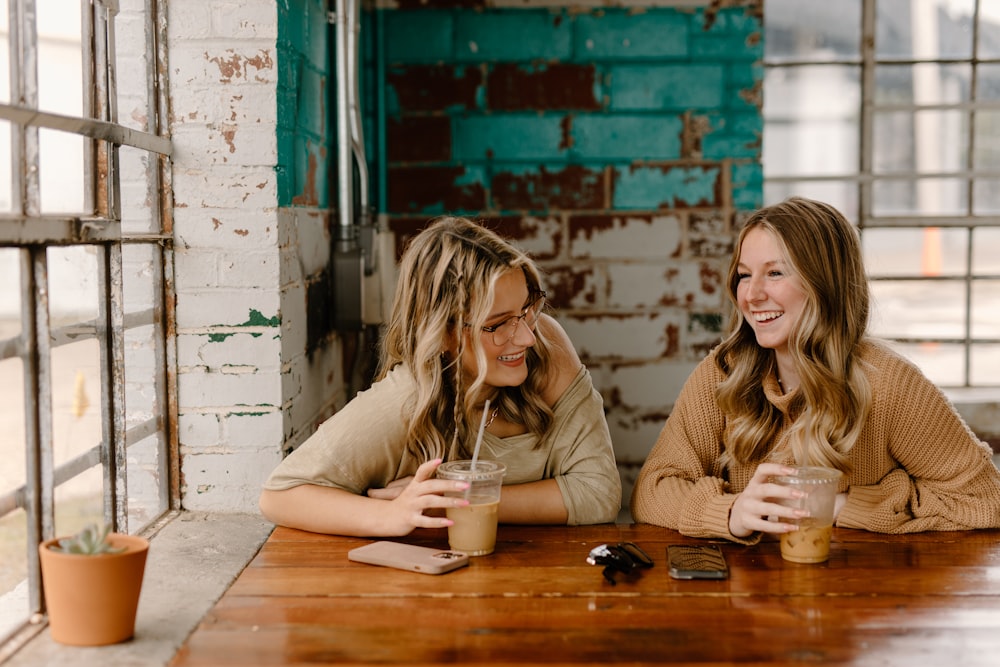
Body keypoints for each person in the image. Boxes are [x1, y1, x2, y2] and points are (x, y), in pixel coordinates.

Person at [631, 196, 1000, 543]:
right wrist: (731, 512)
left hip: (860, 594)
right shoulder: (723, 373)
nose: (752, 294)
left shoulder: (891, 384)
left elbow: (984, 499)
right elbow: (651, 490)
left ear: (825, 284)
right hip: (745, 598)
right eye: (744, 275)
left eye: (775, 273)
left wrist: (843, 506)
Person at [260, 216, 621, 536]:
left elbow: (600, 493)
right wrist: (387, 515)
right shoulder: (404, 400)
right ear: (442, 333)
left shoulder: (547, 345)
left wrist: (455, 500)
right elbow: (279, 496)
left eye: (527, 310)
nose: (527, 336)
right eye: (497, 325)